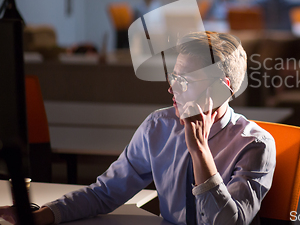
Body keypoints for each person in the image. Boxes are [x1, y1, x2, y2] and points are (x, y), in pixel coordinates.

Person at [0, 31, 276, 225]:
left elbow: (229, 223)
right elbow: (105, 193)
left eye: (185, 80)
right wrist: (43, 215)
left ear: (220, 89)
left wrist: (200, 152)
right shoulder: (159, 126)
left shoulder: (255, 145)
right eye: (173, 76)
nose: (171, 88)